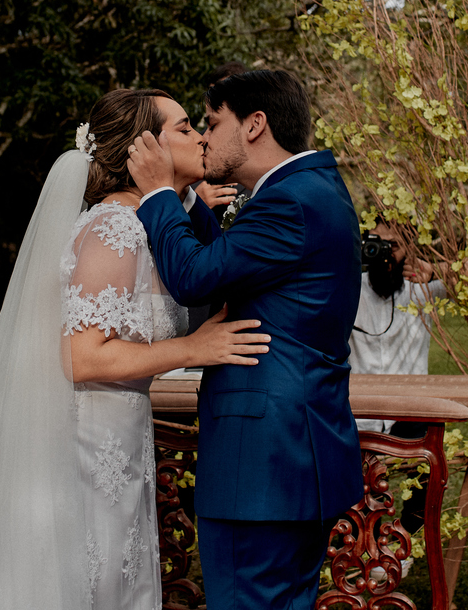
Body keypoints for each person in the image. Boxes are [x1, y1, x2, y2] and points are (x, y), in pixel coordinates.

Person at [0, 88, 269, 610]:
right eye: (186, 127)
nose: (199, 137)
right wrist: (192, 348)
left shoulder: (148, 223)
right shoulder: (115, 227)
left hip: (118, 437)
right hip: (84, 446)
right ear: (144, 149)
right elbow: (82, 357)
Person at [129, 69, 363, 610]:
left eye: (213, 122)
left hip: (261, 466)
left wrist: (159, 194)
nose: (205, 137)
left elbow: (194, 279)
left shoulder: (291, 201)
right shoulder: (307, 190)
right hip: (294, 455)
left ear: (255, 124)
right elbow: (232, 268)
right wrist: (188, 203)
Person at [350, 220, 447, 543]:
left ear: (410, 250)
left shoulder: (424, 290)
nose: (385, 254)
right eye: (378, 243)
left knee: (429, 459)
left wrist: (438, 269)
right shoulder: (347, 287)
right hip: (358, 412)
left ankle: (404, 535)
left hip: (410, 410)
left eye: (395, 246)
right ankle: (365, 538)